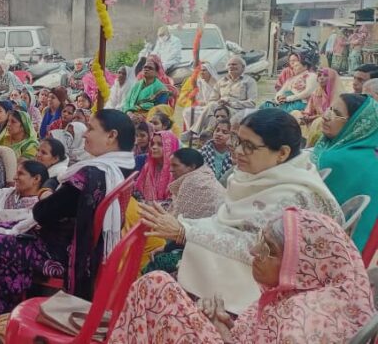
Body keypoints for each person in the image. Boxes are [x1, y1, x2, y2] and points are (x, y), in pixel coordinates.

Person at [0, 109, 136, 343]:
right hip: (79, 247)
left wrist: (46, 193)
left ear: (111, 136)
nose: (84, 134)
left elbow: (42, 212)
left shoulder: (93, 174)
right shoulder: (122, 167)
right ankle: (3, 314)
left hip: (60, 252)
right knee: (0, 228)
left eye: (90, 129)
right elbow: (55, 189)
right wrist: (49, 189)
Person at [139, 108, 343, 314]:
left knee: (156, 290)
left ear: (282, 153)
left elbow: (259, 252)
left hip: (273, 295)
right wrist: (183, 228)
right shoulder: (258, 176)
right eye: (238, 141)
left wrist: (185, 233)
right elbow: (224, 221)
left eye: (249, 146)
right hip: (244, 269)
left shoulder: (293, 197)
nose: (237, 151)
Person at [111, 208, 375, 344]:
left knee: (155, 286)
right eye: (260, 239)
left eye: (268, 248)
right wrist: (226, 325)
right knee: (158, 286)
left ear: (301, 264)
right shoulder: (302, 294)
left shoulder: (304, 321)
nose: (253, 251)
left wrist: (219, 332)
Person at [142, 148, 226, 274]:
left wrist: (166, 247)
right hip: (199, 241)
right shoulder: (202, 175)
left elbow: (180, 228)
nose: (170, 170)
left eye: (175, 165)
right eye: (170, 165)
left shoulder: (194, 182)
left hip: (210, 250)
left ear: (191, 167)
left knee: (157, 262)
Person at [313, 93, 378, 248]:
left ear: (357, 125)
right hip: (359, 246)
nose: (325, 116)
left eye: (336, 113)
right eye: (330, 109)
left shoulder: (335, 159)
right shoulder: (369, 153)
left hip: (327, 241)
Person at [193, 56, 258, 134]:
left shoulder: (249, 81)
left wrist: (231, 104)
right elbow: (212, 100)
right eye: (229, 65)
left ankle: (202, 131)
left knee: (219, 111)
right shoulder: (221, 81)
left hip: (237, 110)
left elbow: (252, 103)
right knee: (212, 106)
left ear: (243, 67)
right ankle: (202, 132)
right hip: (219, 107)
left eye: (234, 64)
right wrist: (219, 103)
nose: (231, 66)